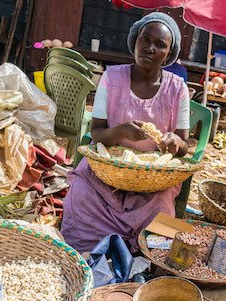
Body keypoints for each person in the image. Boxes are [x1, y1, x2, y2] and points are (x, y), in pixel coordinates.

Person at [61, 12, 190, 253]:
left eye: (160, 45)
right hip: (106, 171)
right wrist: (121, 131)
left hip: (153, 180)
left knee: (161, 210)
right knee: (81, 194)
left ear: (169, 54)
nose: (150, 48)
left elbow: (184, 145)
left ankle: (140, 256)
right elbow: (96, 134)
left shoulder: (177, 89)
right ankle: (86, 252)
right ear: (135, 41)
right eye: (145, 39)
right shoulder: (111, 77)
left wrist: (175, 142)